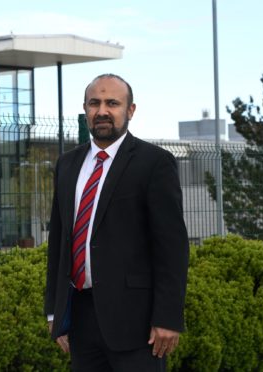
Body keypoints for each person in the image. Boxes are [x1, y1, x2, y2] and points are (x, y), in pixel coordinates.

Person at [44, 74, 189, 371]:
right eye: (94, 103)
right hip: (81, 319)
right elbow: (59, 241)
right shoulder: (67, 165)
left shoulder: (155, 163)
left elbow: (171, 247)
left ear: (130, 110)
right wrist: (54, 313)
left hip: (137, 324)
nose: (102, 111)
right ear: (85, 109)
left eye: (112, 103)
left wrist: (167, 317)